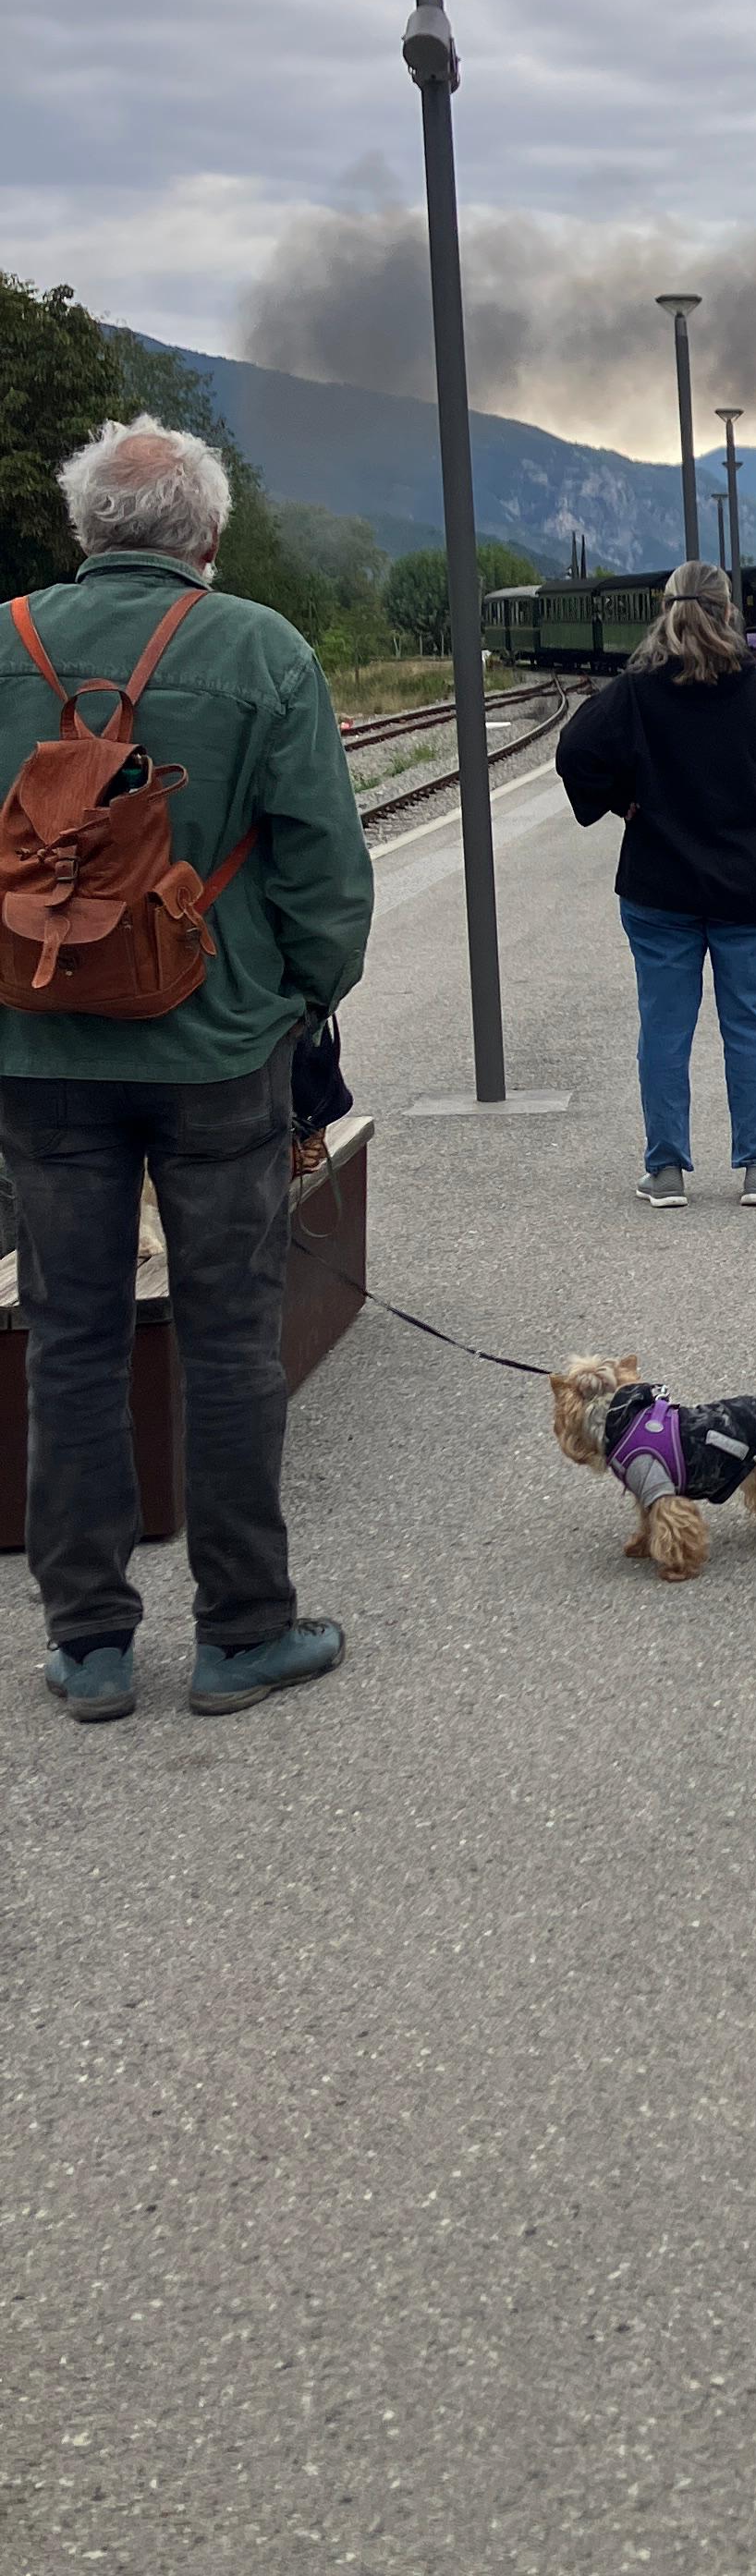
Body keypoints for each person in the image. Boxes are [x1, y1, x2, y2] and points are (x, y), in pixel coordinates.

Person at [0, 419, 374, 1723]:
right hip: (217, 1049)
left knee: (68, 1339)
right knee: (227, 1342)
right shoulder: (260, 648)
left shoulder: (3, 642)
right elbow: (325, 868)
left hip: (39, 1052)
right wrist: (298, 1003)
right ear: (207, 536)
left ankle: (92, 1646)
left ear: (83, 529)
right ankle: (243, 1632)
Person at [555, 561, 756, 1210]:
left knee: (664, 1026)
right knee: (751, 1020)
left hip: (659, 885)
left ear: (664, 611)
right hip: (746, 887)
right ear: (729, 614)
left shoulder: (635, 691)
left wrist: (620, 799)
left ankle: (665, 1171)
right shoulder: (754, 691)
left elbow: (574, 751)